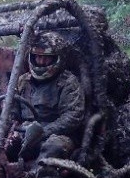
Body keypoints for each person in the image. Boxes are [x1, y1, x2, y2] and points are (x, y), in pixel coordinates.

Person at [16, 31, 85, 161]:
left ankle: (39, 175)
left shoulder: (68, 82)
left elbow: (72, 117)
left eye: (46, 57)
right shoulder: (23, 80)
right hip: (24, 131)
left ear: (56, 58)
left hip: (57, 135)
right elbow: (12, 108)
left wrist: (43, 132)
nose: (41, 62)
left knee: (53, 148)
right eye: (37, 57)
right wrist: (13, 126)